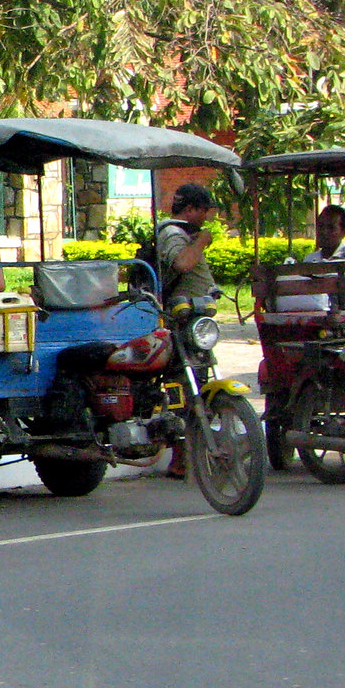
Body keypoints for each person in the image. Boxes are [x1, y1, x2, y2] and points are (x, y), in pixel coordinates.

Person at [152, 183, 218, 480]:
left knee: (197, 387)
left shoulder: (182, 233)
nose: (205, 217)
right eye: (203, 210)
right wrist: (202, 241)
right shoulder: (172, 233)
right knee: (183, 390)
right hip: (179, 327)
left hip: (194, 327)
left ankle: (189, 455)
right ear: (191, 208)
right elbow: (181, 262)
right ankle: (180, 458)